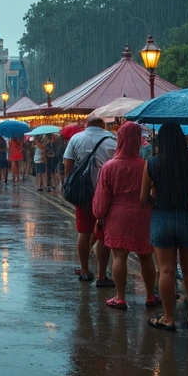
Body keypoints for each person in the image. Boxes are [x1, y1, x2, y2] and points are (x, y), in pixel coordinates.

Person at [139, 123, 188, 332]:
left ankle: (168, 317)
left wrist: (155, 197)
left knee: (166, 269)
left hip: (162, 217)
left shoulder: (152, 164)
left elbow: (143, 198)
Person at [93, 121, 157, 310]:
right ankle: (150, 295)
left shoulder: (109, 167)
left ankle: (120, 297)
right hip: (142, 214)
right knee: (146, 256)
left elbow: (102, 198)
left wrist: (99, 216)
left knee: (119, 256)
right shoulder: (145, 165)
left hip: (117, 216)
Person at [64, 117, 117, 284]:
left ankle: (85, 271)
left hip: (83, 193)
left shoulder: (76, 138)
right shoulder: (112, 141)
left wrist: (72, 182)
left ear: (87, 125)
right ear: (103, 125)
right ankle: (102, 276)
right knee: (102, 235)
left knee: (84, 232)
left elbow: (68, 164)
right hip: (105, 193)